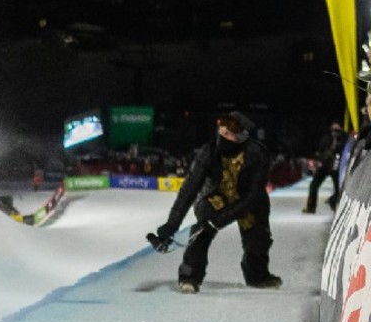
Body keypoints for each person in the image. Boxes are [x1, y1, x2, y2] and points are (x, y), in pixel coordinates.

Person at [146, 111, 281, 294]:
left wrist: (222, 220)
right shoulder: (207, 152)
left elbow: (253, 195)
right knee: (203, 229)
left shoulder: (257, 154)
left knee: (258, 240)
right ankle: (190, 277)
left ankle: (257, 276)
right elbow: (189, 189)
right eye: (220, 132)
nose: (221, 138)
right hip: (216, 197)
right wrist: (172, 224)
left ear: (240, 137)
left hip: (248, 201)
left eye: (227, 135)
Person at [303, 121, 345, 213]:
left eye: (337, 131)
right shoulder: (326, 139)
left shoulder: (343, 140)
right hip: (325, 165)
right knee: (314, 185)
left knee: (339, 188)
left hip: (336, 167)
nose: (334, 133)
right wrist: (318, 161)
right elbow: (319, 152)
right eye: (333, 130)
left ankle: (334, 203)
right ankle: (311, 207)